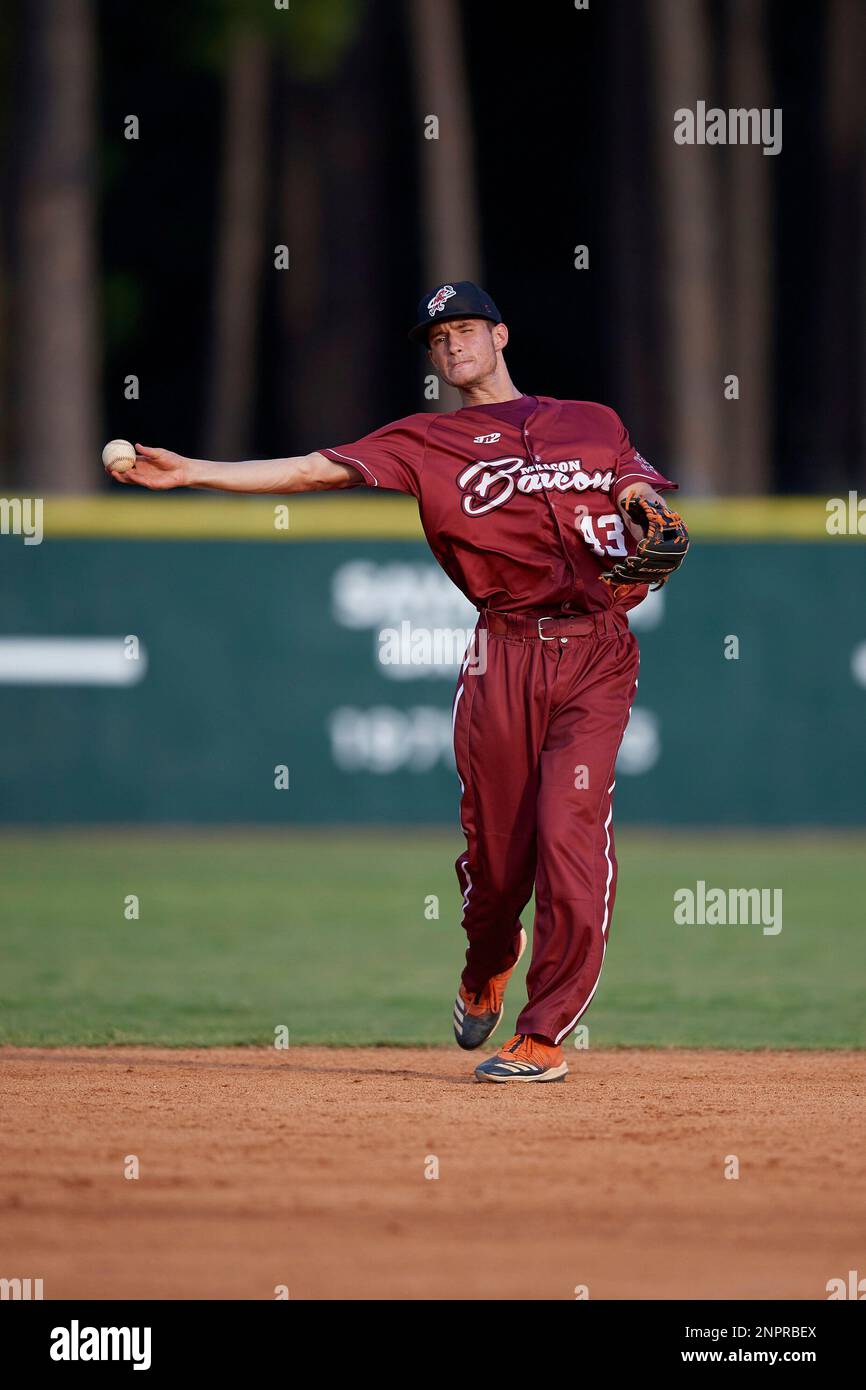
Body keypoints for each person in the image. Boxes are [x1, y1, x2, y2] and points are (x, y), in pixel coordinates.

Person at [107, 280, 688, 1083]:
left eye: (465, 328)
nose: (452, 345)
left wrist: (645, 511)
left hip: (596, 653)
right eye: (437, 337)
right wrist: (194, 472)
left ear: (502, 334)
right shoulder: (424, 442)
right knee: (496, 867)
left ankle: (544, 1033)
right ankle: (488, 958)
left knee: (569, 832)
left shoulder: (592, 421)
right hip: (504, 654)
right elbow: (314, 470)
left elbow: (635, 490)